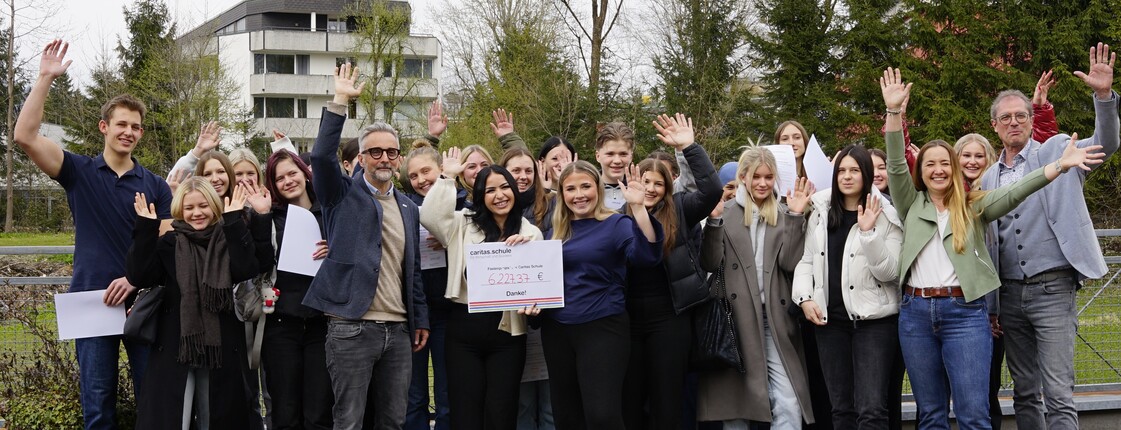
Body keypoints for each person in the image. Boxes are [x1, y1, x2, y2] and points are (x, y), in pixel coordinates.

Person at [880, 67, 1104, 430]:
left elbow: (1017, 190)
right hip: (916, 312)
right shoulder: (910, 204)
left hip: (964, 311)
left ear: (955, 170)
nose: (938, 170)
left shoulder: (974, 204)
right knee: (931, 414)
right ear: (920, 171)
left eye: (945, 164)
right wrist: (893, 113)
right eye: (930, 164)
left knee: (974, 414)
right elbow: (894, 163)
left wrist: (1058, 166)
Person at [13, 39, 173, 430]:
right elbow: (25, 137)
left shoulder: (155, 186)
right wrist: (45, 78)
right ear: (104, 127)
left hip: (143, 301)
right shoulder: (78, 172)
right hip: (92, 302)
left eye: (136, 127)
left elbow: (168, 246)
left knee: (153, 402)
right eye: (121, 124)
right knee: (98, 408)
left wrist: (135, 279)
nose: (129, 132)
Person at [979, 43, 1119, 430]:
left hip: (1053, 289)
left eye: (1021, 115)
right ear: (994, 126)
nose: (1014, 122)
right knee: (1024, 392)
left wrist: (1104, 97)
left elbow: (1106, 144)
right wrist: (993, 306)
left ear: (1030, 120)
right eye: (1005, 118)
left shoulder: (1058, 150)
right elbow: (988, 246)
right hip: (1009, 295)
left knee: (1058, 393)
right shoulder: (987, 179)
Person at [303, 63, 430, 430]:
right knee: (349, 421)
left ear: (400, 158)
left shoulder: (408, 207)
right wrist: (340, 100)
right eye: (375, 152)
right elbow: (321, 157)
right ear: (360, 159)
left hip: (399, 330)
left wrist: (419, 318)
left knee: (393, 421)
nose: (384, 158)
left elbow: (412, 269)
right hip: (351, 327)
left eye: (391, 152)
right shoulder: (341, 194)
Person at [126, 178, 272, 428]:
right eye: (189, 207)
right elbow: (139, 276)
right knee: (175, 420)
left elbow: (247, 268)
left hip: (220, 347)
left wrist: (234, 220)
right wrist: (145, 229)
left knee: (215, 418)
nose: (197, 213)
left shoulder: (228, 238)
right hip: (176, 346)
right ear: (180, 209)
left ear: (214, 206)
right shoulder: (168, 244)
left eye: (203, 206)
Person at [421, 154, 544, 429]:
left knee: (502, 412)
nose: (499, 196)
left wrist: (525, 253)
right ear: (480, 196)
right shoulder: (462, 223)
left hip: (508, 334)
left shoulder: (531, 233)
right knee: (465, 413)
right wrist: (447, 178)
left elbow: (537, 290)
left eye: (505, 187)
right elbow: (429, 217)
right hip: (464, 331)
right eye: (490, 190)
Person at [697, 147, 816, 430]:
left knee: (788, 401)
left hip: (775, 318)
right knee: (736, 405)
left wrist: (796, 216)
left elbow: (790, 263)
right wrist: (713, 222)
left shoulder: (785, 213)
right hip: (734, 318)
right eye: (756, 176)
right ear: (743, 177)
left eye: (768, 177)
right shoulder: (724, 213)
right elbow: (710, 262)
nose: (762, 183)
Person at [542, 160, 663, 429]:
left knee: (602, 416)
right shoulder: (553, 232)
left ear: (597, 188)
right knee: (567, 416)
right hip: (557, 330)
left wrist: (639, 208)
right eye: (570, 189)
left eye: (585, 186)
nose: (579, 195)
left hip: (602, 328)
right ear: (562, 194)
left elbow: (646, 257)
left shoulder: (616, 223)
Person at [792, 144, 904, 429]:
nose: (847, 176)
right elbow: (807, 261)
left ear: (866, 174)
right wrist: (805, 298)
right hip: (830, 324)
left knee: (871, 409)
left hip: (874, 323)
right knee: (841, 409)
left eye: (854, 170)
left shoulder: (886, 213)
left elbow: (890, 273)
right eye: (841, 170)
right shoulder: (820, 210)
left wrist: (869, 233)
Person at [622, 114, 722, 430]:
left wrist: (689, 148)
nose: (651, 189)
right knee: (630, 402)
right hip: (628, 322)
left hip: (670, 320)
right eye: (646, 181)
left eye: (658, 183)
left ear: (667, 187)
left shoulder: (680, 208)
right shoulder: (619, 216)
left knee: (668, 403)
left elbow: (712, 190)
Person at [259, 149, 334, 429]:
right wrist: (261, 218)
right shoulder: (271, 216)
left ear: (305, 172)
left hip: (322, 324)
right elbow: (259, 263)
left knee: (319, 411)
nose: (288, 181)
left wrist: (335, 251)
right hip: (281, 324)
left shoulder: (330, 212)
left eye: (292, 173)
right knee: (285, 411)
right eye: (280, 178)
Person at [401, 117, 455, 430]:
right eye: (414, 175)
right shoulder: (403, 206)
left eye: (426, 172)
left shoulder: (460, 203)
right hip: (413, 313)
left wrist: (451, 239)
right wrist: (429, 137)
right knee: (414, 393)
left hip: (449, 311)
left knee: (448, 392)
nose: (421, 179)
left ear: (441, 171)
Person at [594, 122, 636, 211]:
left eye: (623, 154)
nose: (617, 161)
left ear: (631, 157)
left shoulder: (641, 191)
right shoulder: (587, 190)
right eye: (610, 154)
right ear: (598, 156)